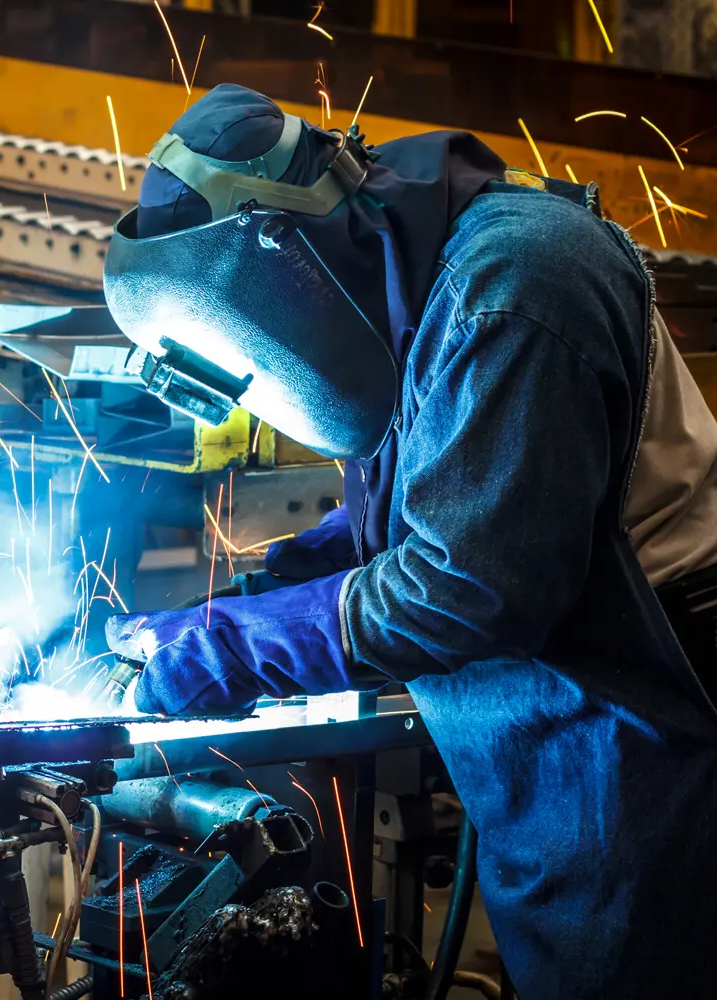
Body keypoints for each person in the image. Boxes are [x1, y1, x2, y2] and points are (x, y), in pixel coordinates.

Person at [102, 84, 717, 999]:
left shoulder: (510, 289)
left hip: (651, 731)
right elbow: (445, 492)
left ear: (282, 254)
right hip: (566, 740)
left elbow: (466, 582)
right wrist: (258, 595)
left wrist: (235, 649)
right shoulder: (411, 275)